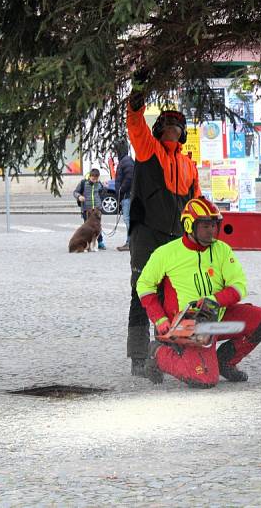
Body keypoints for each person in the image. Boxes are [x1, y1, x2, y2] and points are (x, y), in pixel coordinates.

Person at [137, 197, 261, 387]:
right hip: (186, 325)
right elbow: (144, 286)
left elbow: (239, 285)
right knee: (204, 380)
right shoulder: (165, 253)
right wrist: (159, 319)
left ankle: (225, 362)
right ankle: (158, 353)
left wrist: (213, 300)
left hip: (216, 320)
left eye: (214, 225)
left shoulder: (222, 250)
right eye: (206, 226)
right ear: (189, 225)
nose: (212, 231)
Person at [125, 70, 201, 377]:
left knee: (179, 293)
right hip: (146, 233)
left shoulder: (189, 165)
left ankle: (173, 351)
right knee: (142, 292)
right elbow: (135, 123)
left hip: (176, 237)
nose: (172, 128)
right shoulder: (148, 150)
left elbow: (197, 204)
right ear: (159, 130)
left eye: (176, 125)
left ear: (182, 132)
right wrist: (138, 91)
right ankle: (139, 357)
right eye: (167, 124)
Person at [72, 168, 107, 250]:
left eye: (96, 179)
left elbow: (102, 194)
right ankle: (88, 243)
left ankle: (100, 242)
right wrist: (79, 196)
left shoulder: (99, 184)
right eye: (93, 179)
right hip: (87, 210)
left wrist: (105, 188)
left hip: (97, 209)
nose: (95, 180)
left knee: (97, 227)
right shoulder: (83, 183)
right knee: (88, 228)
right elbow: (75, 192)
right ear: (90, 176)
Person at [113, 138, 134, 251]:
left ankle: (130, 242)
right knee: (129, 220)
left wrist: (121, 190)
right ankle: (130, 242)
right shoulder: (126, 160)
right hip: (127, 195)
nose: (115, 153)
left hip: (127, 196)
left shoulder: (126, 161)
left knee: (128, 220)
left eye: (116, 151)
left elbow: (129, 177)